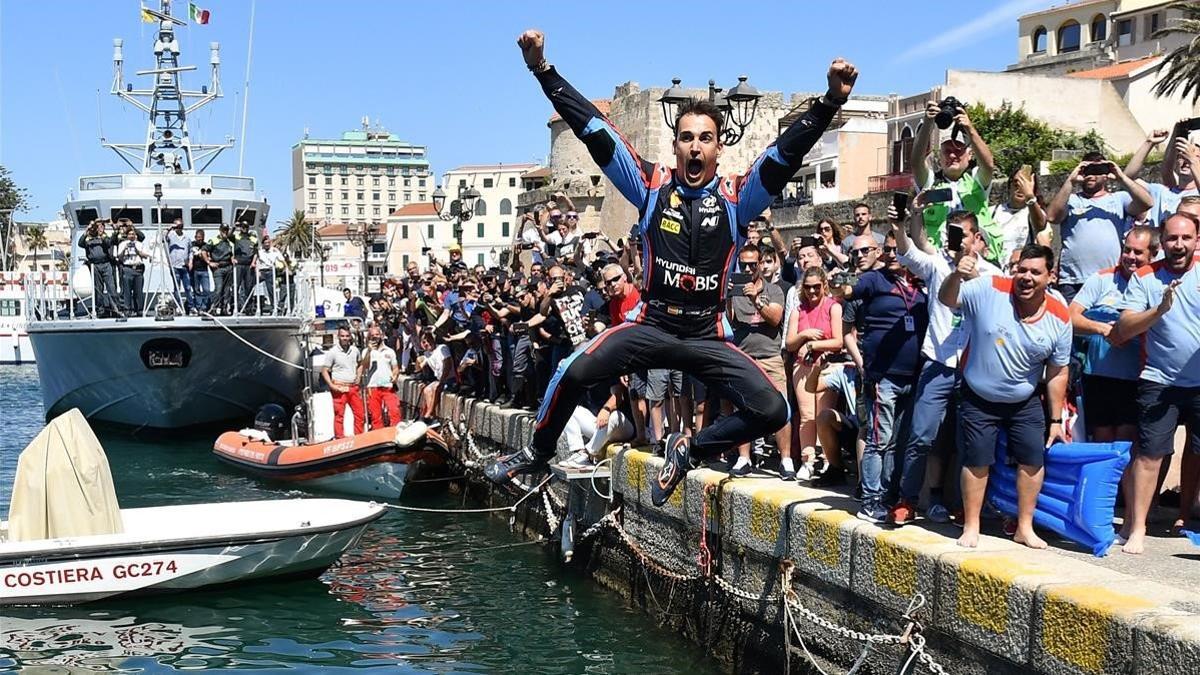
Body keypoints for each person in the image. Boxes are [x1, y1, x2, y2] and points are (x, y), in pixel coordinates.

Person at [485, 29, 858, 506]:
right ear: (675, 146)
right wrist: (542, 69)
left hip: (706, 337)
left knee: (773, 408)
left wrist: (828, 102)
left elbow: (786, 155)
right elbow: (594, 130)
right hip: (651, 326)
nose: (695, 147)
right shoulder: (650, 186)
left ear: (719, 149)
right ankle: (537, 453)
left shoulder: (736, 198)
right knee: (573, 372)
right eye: (686, 139)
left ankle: (690, 450)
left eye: (706, 139)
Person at [939, 244, 1071, 549]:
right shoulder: (990, 288)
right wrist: (956, 275)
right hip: (978, 396)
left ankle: (1024, 527)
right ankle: (972, 526)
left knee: (1032, 461)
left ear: (1050, 277)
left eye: (1035, 272)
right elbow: (947, 299)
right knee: (977, 460)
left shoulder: (1060, 317)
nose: (1026, 277)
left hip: (1024, 401)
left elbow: (1057, 371)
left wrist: (1054, 418)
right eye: (1021, 270)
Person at [892, 206, 1000, 525]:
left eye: (962, 234)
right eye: (950, 233)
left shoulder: (994, 273)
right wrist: (905, 223)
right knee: (921, 436)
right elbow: (908, 251)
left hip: (973, 366)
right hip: (938, 364)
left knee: (970, 440)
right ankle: (907, 500)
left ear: (977, 238)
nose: (955, 240)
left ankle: (969, 507)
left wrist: (974, 275)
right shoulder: (938, 264)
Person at [1112, 213, 1200, 554]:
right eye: (1172, 239)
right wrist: (1159, 309)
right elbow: (1124, 329)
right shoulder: (1146, 276)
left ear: (1196, 239)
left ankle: (1186, 517)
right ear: (1161, 242)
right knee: (1149, 455)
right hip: (1159, 381)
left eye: (1186, 238)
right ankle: (1136, 528)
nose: (1178, 245)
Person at [834, 231, 929, 523]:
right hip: (882, 377)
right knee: (878, 440)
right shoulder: (875, 280)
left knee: (898, 441)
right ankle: (870, 499)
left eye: (896, 249)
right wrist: (842, 281)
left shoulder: (920, 286)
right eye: (886, 250)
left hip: (911, 376)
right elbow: (847, 291)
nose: (891, 255)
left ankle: (887, 495)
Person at [1070, 227, 1158, 446]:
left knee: (1127, 442)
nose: (1130, 257)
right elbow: (1069, 317)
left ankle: (1122, 482)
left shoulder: (1157, 281)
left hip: (1138, 377)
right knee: (1101, 440)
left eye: (1138, 252)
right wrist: (1102, 328)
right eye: (1127, 250)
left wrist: (1130, 329)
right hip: (1099, 375)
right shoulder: (1101, 279)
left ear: (1153, 254)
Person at [1045, 152, 1153, 302]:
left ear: (1105, 174)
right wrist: (1070, 181)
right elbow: (1051, 217)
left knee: (1107, 322)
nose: (1091, 175)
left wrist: (1121, 177)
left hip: (1109, 278)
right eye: (1087, 170)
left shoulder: (1118, 198)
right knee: (1072, 324)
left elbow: (1147, 203)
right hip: (1073, 281)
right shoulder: (1071, 200)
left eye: (1097, 170)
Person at [911, 99, 1004, 262]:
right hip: (940, 258)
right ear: (940, 156)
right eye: (947, 151)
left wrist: (969, 127)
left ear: (969, 155)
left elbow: (988, 164)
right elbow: (916, 161)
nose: (953, 155)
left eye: (958, 150)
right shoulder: (930, 182)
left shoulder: (976, 179)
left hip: (976, 259)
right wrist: (927, 124)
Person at [727, 244, 789, 477]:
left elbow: (775, 319)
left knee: (782, 407)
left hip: (770, 356)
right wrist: (726, 297)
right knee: (743, 408)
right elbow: (729, 321)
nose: (749, 268)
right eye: (744, 264)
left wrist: (755, 299)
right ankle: (744, 458)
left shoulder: (774, 290)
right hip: (744, 356)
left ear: (761, 263)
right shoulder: (736, 291)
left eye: (753, 264)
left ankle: (786, 460)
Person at [784, 266, 842, 480]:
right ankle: (808, 459)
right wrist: (805, 335)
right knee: (807, 416)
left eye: (816, 287)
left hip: (826, 365)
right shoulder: (798, 310)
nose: (812, 292)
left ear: (824, 285)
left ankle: (828, 460)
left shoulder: (833, 307)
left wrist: (812, 346)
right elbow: (790, 343)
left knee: (823, 413)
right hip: (803, 365)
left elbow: (838, 341)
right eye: (808, 287)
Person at [1124, 127, 1198, 226]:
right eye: (1182, 156)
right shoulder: (1160, 191)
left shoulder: (1197, 193)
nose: (1186, 161)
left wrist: (1192, 160)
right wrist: (1149, 143)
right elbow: (1127, 177)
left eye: (1192, 156)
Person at [989, 167, 1051, 267]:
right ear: (1009, 186)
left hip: (1019, 270)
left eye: (1025, 185)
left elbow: (1040, 225)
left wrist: (1030, 197)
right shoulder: (992, 212)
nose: (1020, 189)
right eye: (1016, 184)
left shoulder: (1033, 213)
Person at [322, 326, 365, 438]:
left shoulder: (355, 350)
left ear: (350, 336)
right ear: (338, 337)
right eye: (342, 336)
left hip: (353, 387)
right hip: (339, 387)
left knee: (360, 414)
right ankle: (339, 438)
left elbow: (360, 364)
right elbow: (324, 370)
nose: (345, 338)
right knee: (339, 415)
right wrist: (332, 385)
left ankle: (359, 437)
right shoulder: (332, 352)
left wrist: (359, 376)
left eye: (347, 336)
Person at [78, 220, 120, 317]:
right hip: (94, 265)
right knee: (98, 289)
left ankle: (115, 309)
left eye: (102, 226)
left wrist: (103, 234)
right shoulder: (88, 238)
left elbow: (110, 243)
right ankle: (100, 310)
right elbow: (80, 244)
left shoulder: (105, 237)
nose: (100, 228)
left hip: (106, 264)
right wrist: (87, 229)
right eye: (98, 226)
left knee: (111, 287)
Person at [362, 325, 402, 429]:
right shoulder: (366, 352)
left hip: (388, 386)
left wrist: (395, 376)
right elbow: (365, 366)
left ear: (382, 335)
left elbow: (395, 367)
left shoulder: (390, 351)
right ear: (369, 337)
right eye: (372, 335)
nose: (375, 337)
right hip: (373, 386)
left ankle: (395, 432)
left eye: (377, 334)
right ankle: (378, 437)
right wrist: (370, 351)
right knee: (376, 416)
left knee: (394, 410)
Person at [114, 227, 150, 316]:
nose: (131, 236)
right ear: (127, 236)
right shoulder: (123, 244)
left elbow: (145, 256)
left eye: (133, 234)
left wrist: (137, 250)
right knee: (127, 290)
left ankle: (139, 309)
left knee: (138, 291)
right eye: (129, 234)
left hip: (138, 269)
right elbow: (119, 257)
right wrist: (125, 249)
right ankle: (127, 309)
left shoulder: (140, 244)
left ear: (135, 236)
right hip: (127, 268)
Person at [164, 219, 193, 313]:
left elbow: (190, 251)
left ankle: (191, 306)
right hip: (174, 266)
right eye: (178, 226)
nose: (180, 228)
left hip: (184, 266)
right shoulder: (170, 236)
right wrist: (169, 229)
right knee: (177, 287)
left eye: (181, 226)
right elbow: (162, 239)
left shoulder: (187, 238)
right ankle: (178, 307)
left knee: (188, 287)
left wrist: (191, 261)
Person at [206, 225, 235, 315]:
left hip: (228, 267)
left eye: (226, 230)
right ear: (220, 230)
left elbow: (231, 254)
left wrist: (233, 259)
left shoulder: (230, 242)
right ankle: (214, 308)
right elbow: (204, 250)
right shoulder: (214, 240)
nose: (225, 232)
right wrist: (209, 262)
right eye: (223, 230)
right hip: (218, 267)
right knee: (218, 288)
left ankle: (224, 308)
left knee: (227, 290)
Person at [232, 221, 258, 312]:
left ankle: (248, 307)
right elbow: (228, 236)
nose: (244, 228)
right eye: (243, 227)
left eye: (246, 227)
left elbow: (255, 252)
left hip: (249, 266)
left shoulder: (253, 238)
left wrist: (253, 263)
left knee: (249, 286)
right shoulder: (236, 236)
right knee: (236, 286)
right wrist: (234, 227)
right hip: (239, 264)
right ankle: (234, 306)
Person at [190, 228, 210, 313]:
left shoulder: (206, 246)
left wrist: (203, 255)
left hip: (204, 270)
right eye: (198, 237)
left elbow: (209, 256)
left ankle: (204, 306)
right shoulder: (191, 244)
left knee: (206, 290)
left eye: (201, 237)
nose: (200, 239)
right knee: (196, 290)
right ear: (195, 237)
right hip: (194, 271)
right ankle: (198, 307)